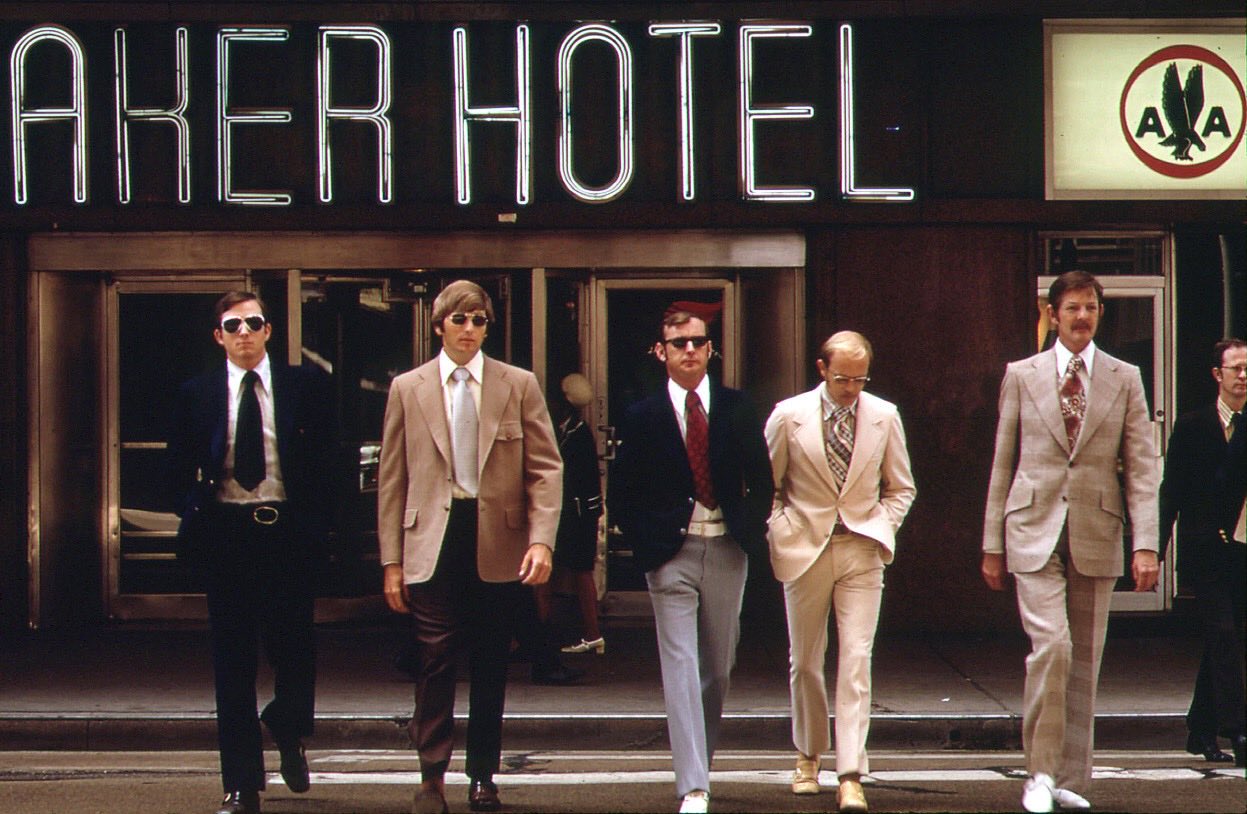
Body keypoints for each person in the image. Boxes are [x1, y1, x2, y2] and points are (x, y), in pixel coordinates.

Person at [376, 279, 562, 814]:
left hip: (499, 541)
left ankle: (482, 774)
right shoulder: (407, 388)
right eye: (459, 320)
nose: (469, 330)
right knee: (434, 660)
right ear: (439, 326)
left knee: (490, 663)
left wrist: (542, 542)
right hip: (432, 540)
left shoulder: (517, 384)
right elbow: (393, 479)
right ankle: (431, 775)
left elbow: (546, 470)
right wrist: (391, 561)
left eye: (478, 320)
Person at [982, 270, 1159, 813]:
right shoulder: (1021, 375)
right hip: (1032, 529)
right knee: (1052, 648)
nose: (1082, 317)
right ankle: (1037, 772)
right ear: (1052, 314)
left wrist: (1145, 542)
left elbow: (1142, 465)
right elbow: (1003, 460)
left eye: (1091, 308)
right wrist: (992, 542)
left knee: (1084, 661)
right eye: (1073, 307)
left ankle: (1069, 779)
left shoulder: (1125, 377)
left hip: (1096, 528)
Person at [167, 291, 334, 814]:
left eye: (253, 323)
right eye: (232, 325)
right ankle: (241, 783)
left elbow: (333, 457)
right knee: (232, 662)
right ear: (219, 335)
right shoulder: (197, 392)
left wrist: (324, 527)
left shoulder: (306, 385)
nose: (244, 333)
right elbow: (174, 464)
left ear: (268, 331)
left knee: (295, 652)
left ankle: (287, 727)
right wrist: (193, 507)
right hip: (227, 534)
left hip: (287, 533)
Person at [608, 305, 772, 814]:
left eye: (698, 342)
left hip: (726, 547)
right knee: (679, 664)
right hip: (670, 554)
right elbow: (623, 491)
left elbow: (762, 480)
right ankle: (693, 786)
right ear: (661, 352)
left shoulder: (739, 407)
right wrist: (647, 545)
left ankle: (700, 760)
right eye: (678, 343)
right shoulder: (641, 415)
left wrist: (750, 524)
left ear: (710, 349)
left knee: (717, 667)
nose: (689, 351)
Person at [763, 330, 915, 813]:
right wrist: (779, 527)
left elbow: (901, 487)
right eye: (843, 377)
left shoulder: (884, 416)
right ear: (821, 368)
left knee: (856, 660)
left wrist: (881, 527)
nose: (852, 387)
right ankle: (807, 756)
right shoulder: (788, 416)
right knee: (805, 659)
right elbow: (769, 482)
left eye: (861, 377)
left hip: (861, 548)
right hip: (804, 545)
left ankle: (851, 771)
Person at [1159, 338, 1246, 767]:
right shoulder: (1192, 426)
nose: (1243, 376)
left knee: (1225, 642)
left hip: (1243, 554)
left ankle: (1200, 728)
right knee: (1225, 635)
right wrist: (1151, 550)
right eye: (1236, 368)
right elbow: (1171, 491)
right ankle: (1237, 730)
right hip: (1205, 551)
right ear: (1218, 375)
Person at [540, 372, 606, 656]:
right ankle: (549, 631)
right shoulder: (572, 429)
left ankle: (590, 633)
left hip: (576, 514)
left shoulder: (576, 434)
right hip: (576, 512)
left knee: (577, 571)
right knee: (567, 571)